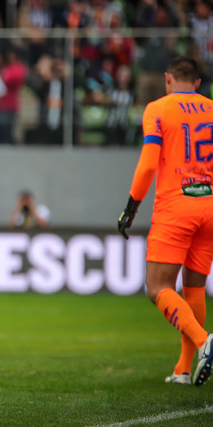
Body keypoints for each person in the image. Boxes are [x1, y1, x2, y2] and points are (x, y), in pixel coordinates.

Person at [117, 56, 213, 387]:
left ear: (168, 78)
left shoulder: (158, 109)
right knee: (194, 287)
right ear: (197, 83)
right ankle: (184, 369)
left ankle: (203, 341)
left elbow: (148, 164)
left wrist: (131, 208)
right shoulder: (211, 109)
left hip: (176, 206)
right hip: (209, 205)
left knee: (158, 287)